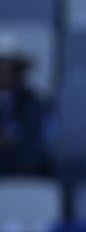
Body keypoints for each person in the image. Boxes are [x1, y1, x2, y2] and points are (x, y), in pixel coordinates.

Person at [0, 33, 49, 175]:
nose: (3, 73)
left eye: (7, 68)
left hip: (21, 173)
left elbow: (34, 146)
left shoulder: (31, 102)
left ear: (17, 71)